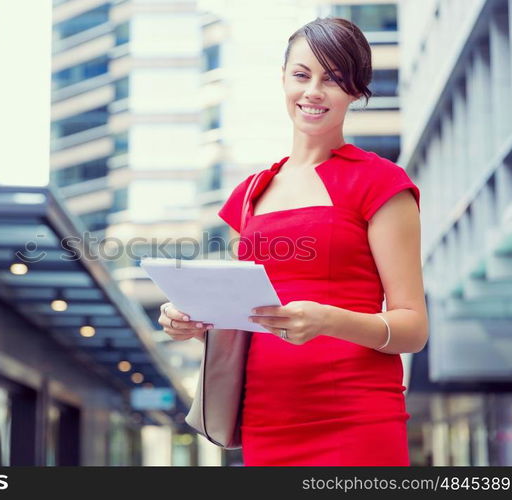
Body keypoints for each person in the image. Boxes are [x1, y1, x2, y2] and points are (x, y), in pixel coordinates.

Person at [157, 17, 429, 466]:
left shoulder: (381, 183)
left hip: (357, 419)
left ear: (356, 91)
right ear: (283, 78)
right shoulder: (247, 195)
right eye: (302, 75)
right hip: (267, 419)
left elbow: (414, 329)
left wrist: (328, 320)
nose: (314, 92)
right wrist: (193, 323)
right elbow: (242, 323)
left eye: (334, 80)